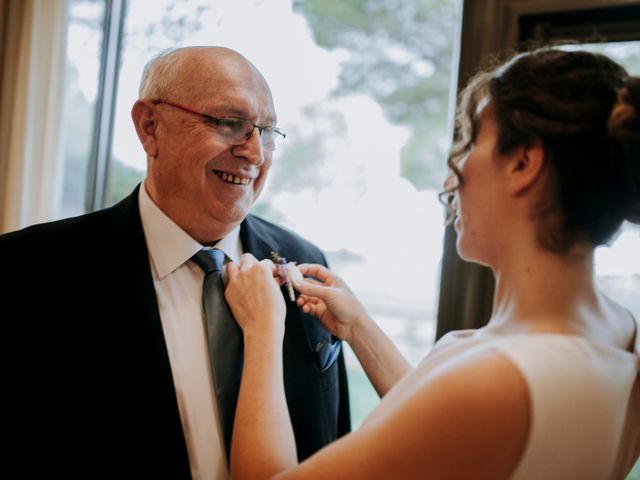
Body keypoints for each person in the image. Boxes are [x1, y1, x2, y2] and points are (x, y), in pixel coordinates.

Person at [223, 47, 640, 479]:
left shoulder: (493, 381)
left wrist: (263, 331)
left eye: (470, 142)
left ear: (522, 164)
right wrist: (357, 329)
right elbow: (464, 442)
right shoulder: (618, 334)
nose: (450, 176)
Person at [0, 46, 350, 479]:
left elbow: (334, 439)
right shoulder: (27, 271)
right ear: (150, 128)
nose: (255, 154)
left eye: (267, 132)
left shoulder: (305, 263)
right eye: (230, 124)